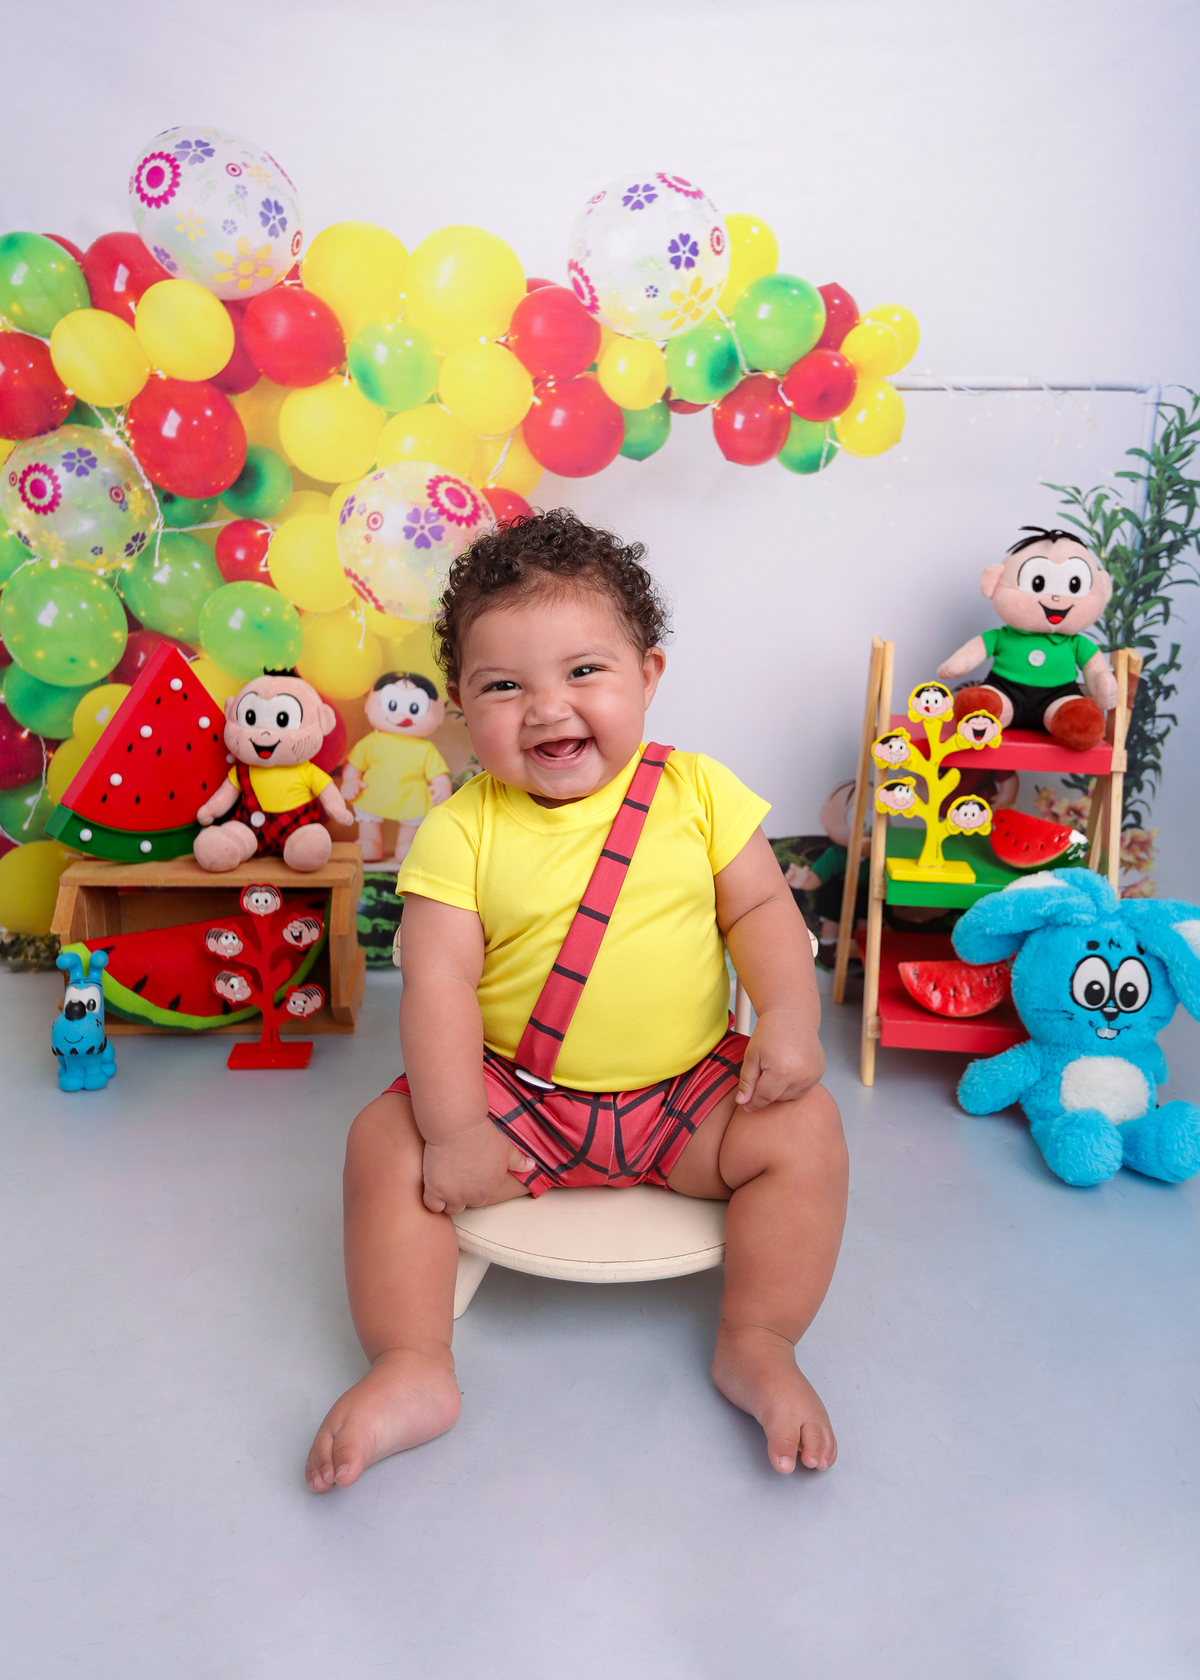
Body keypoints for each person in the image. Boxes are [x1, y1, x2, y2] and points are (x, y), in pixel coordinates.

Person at [305, 510, 848, 1492]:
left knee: (807, 1132)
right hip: (517, 1104)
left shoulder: (699, 792)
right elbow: (437, 984)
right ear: (463, 708)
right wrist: (456, 1130)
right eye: (504, 685)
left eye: (584, 671)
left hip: (686, 1097)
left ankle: (760, 1339)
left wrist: (790, 1019)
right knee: (384, 1145)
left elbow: (765, 910)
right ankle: (412, 1362)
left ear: (649, 674)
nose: (547, 708)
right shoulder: (461, 830)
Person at [340, 672, 453, 866]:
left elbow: (439, 774)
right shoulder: (372, 742)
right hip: (374, 794)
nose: (402, 716)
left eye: (414, 708)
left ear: (439, 713)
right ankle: (371, 842)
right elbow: (354, 764)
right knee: (369, 821)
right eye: (392, 705)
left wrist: (442, 787)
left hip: (411, 799)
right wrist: (350, 780)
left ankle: (408, 846)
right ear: (368, 703)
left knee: (410, 834)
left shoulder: (425, 749)